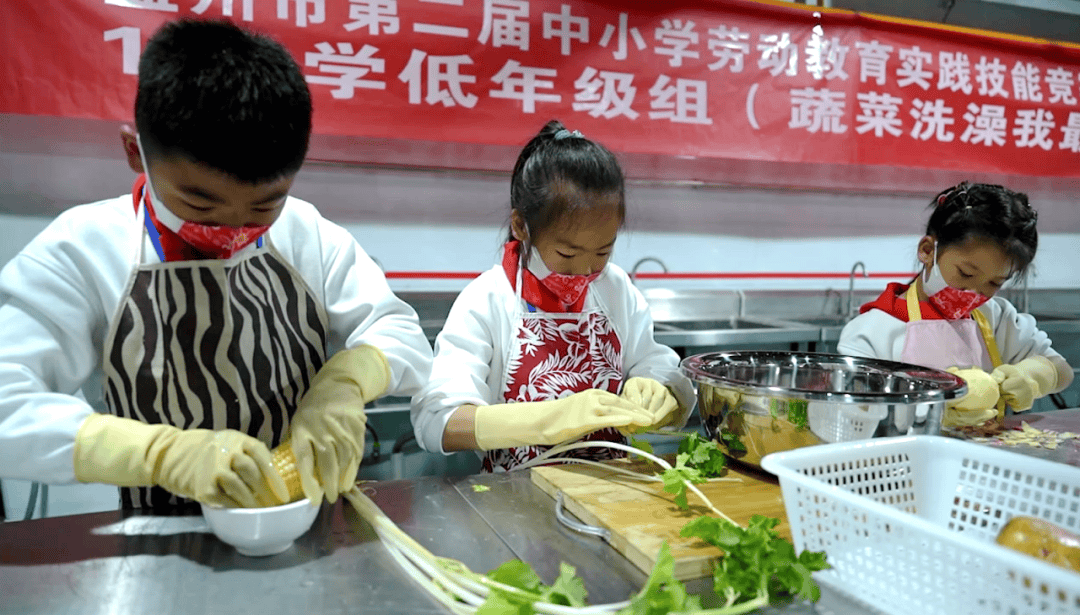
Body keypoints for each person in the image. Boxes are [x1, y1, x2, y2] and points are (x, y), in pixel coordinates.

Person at [0, 19, 432, 510]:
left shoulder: (307, 233)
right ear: (134, 153)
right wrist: (159, 454)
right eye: (201, 206)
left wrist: (345, 383)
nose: (231, 230)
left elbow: (399, 333)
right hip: (161, 532)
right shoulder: (83, 250)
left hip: (309, 520)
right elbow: (4, 403)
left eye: (262, 208)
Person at [411, 120, 695, 472]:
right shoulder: (488, 299)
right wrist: (543, 420)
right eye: (567, 255)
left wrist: (654, 385)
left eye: (602, 253)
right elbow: (436, 420)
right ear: (521, 226)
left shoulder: (615, 288)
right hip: (515, 500)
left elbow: (655, 362)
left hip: (610, 488)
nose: (584, 272)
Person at [838, 182, 1073, 429]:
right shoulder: (873, 331)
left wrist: (1036, 377)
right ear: (928, 251)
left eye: (994, 282)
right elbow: (851, 420)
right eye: (966, 274)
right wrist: (936, 410)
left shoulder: (995, 317)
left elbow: (1062, 370)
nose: (974, 293)